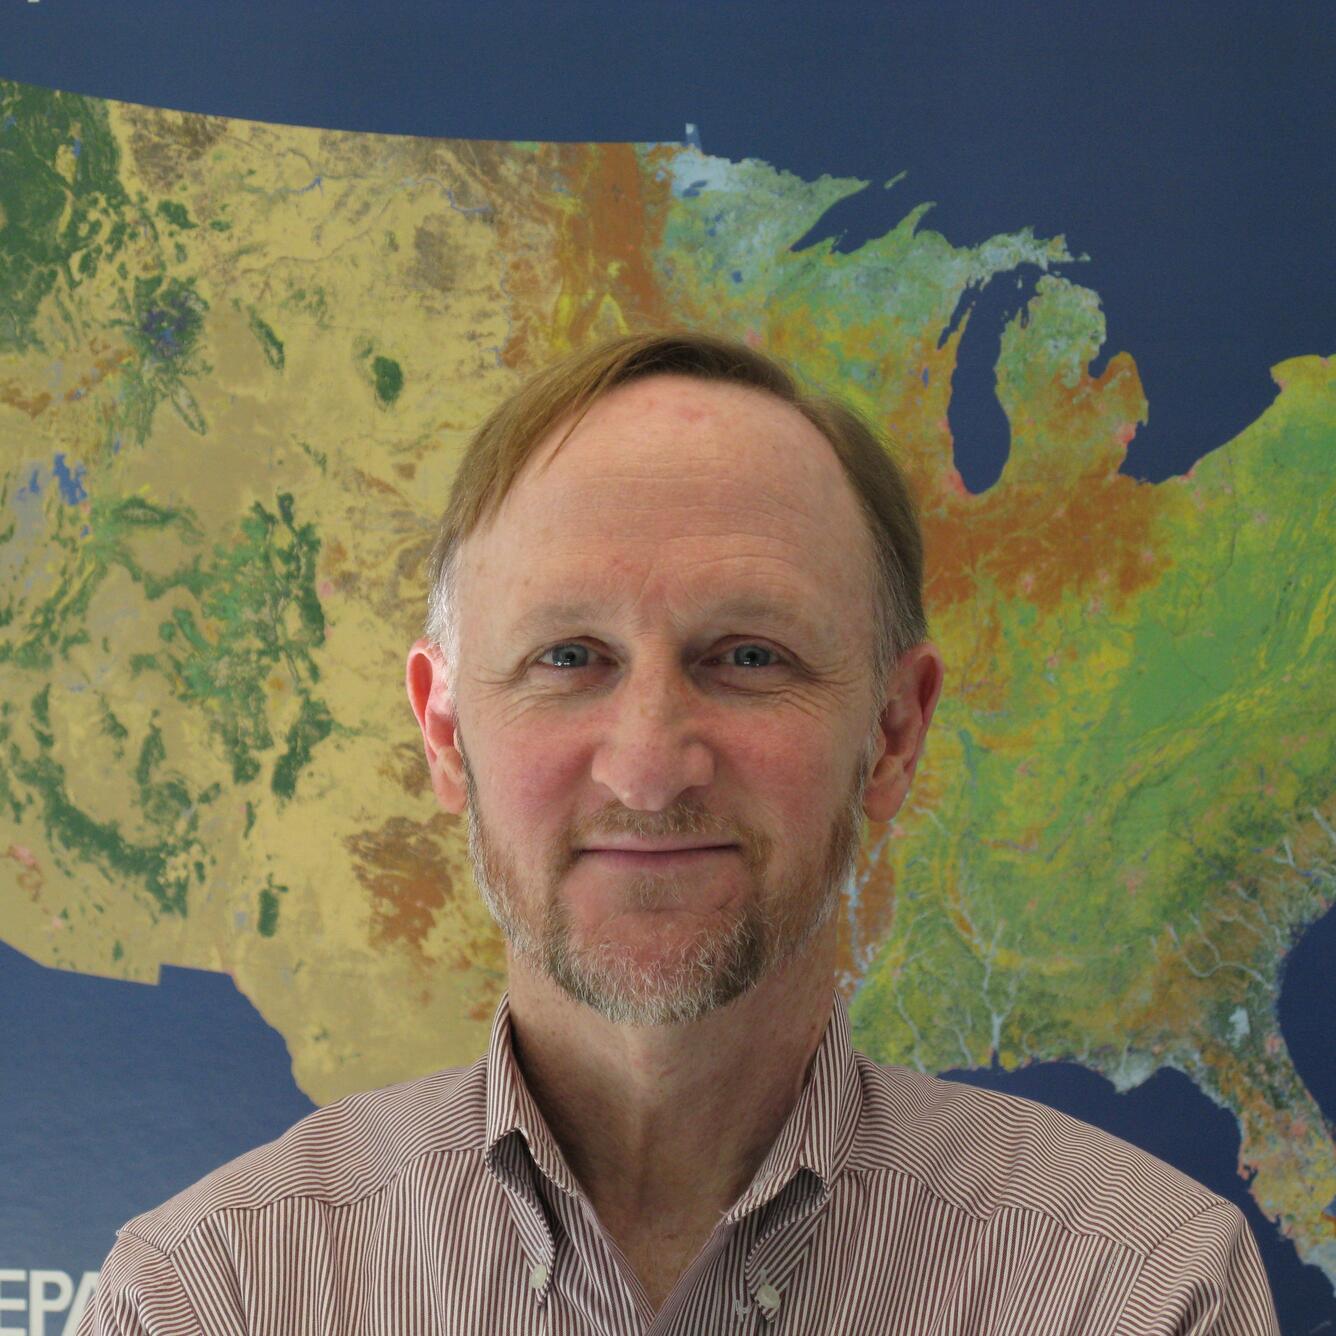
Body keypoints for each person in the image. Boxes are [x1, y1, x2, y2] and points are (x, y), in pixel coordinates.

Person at [81, 331, 1279, 1334]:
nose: (650, 769)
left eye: (748, 656)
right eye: (568, 657)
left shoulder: (1137, 1292)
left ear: (892, 732)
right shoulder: (208, 1298)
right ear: (444, 732)